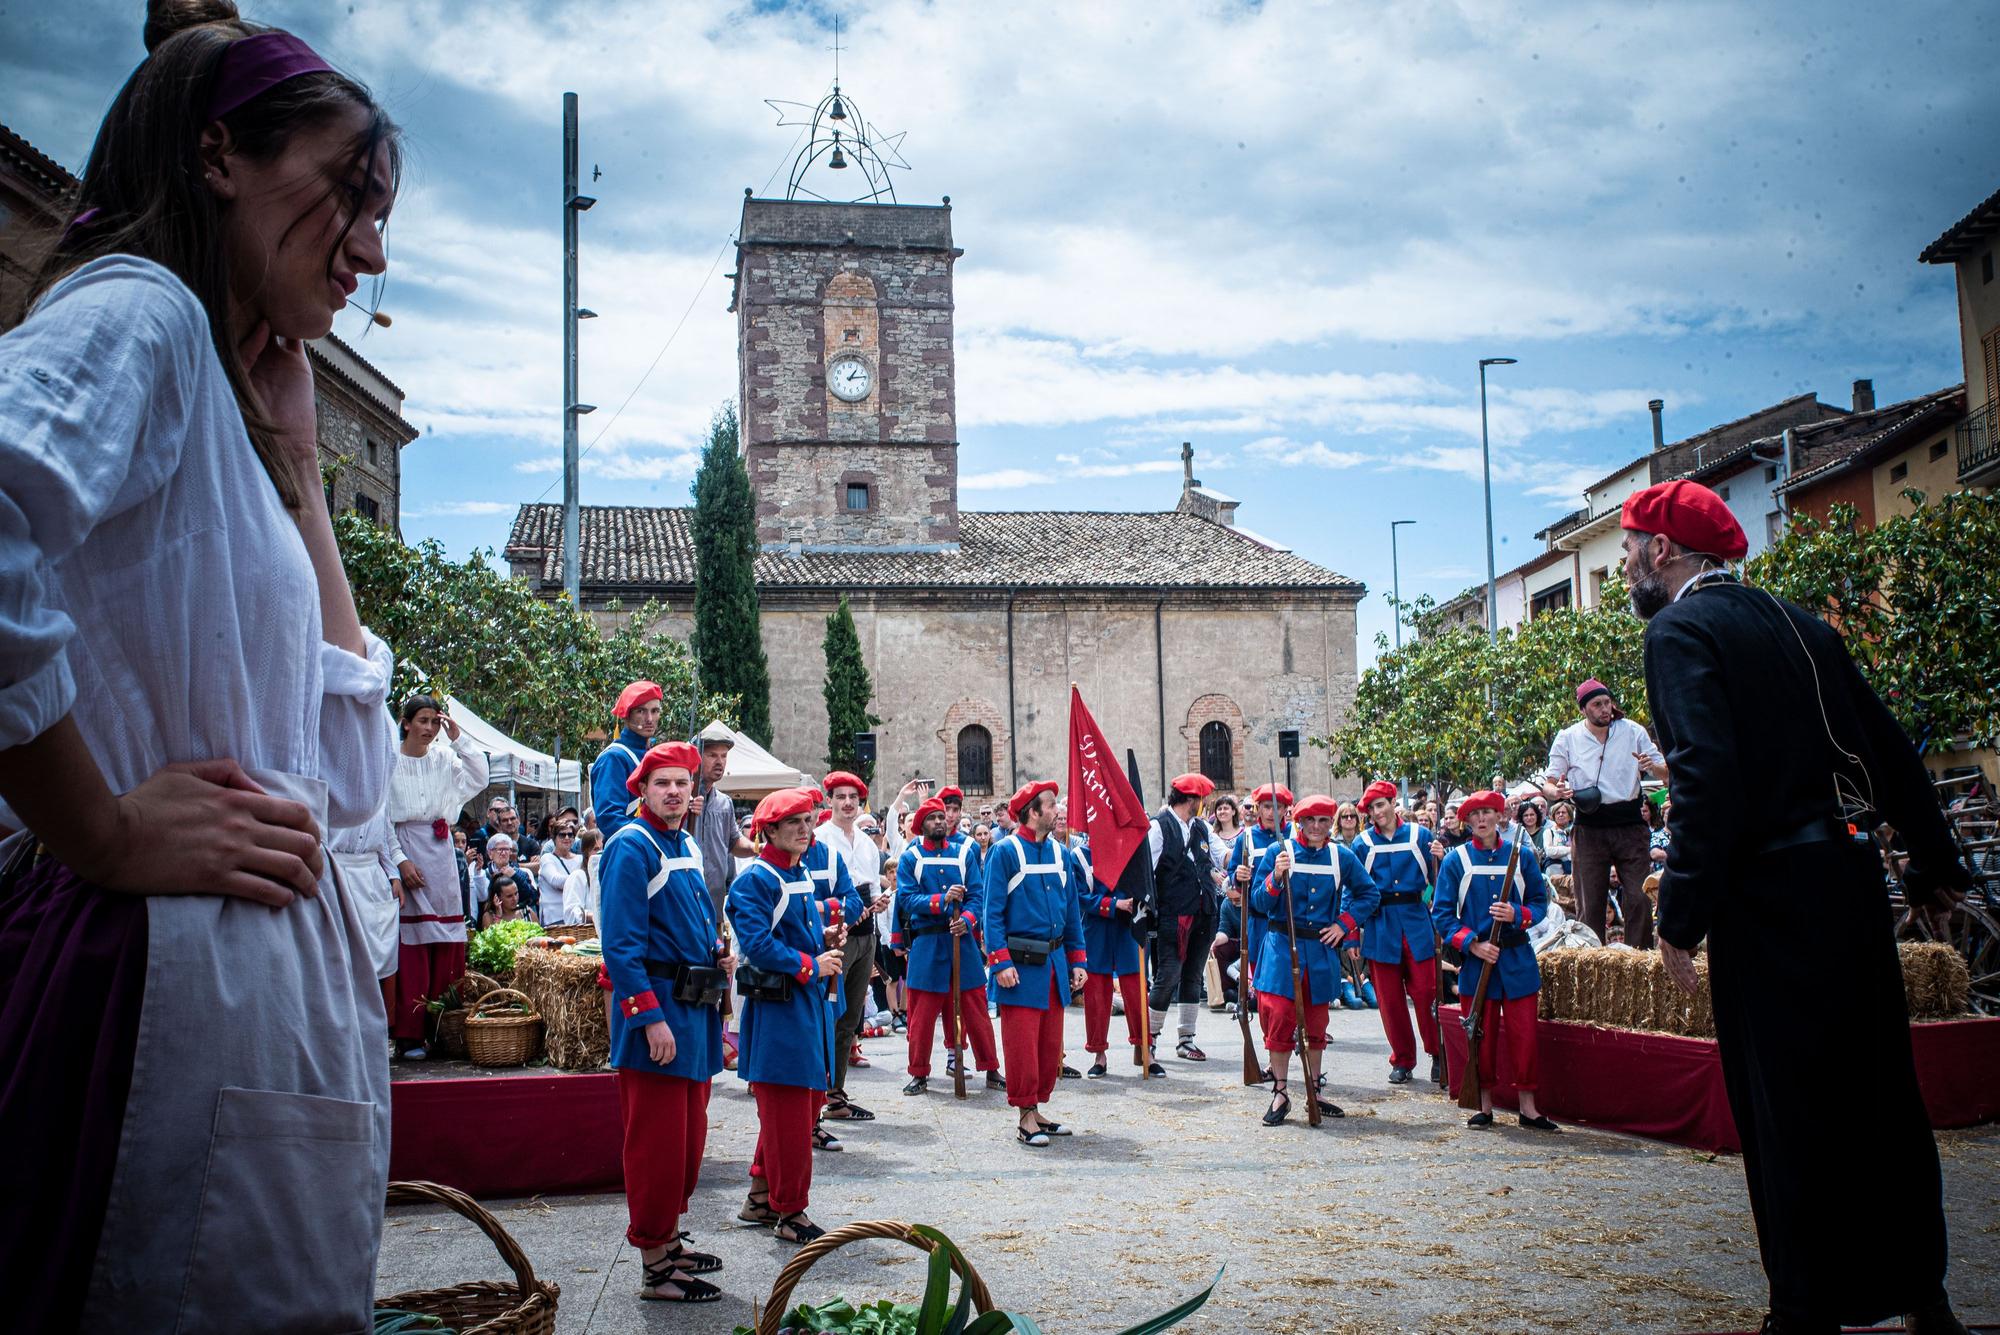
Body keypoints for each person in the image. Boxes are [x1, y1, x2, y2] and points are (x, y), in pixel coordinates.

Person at [0, 7, 402, 1327]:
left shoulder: (226, 407)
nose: (372, 248)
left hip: (239, 1017)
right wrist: (99, 824)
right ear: (221, 155)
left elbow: (345, 776)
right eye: (349, 192)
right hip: (152, 996)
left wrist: (301, 475)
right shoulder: (144, 309)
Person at [1623, 477, 1972, 1335]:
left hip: (1768, 898)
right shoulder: (1806, 626)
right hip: (1848, 885)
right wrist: (1934, 865)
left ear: (1663, 550)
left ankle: (1804, 1311)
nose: (1626, 563)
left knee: (1786, 1105)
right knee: (1882, 1095)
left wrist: (1680, 918)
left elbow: (1705, 775)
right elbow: (1890, 750)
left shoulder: (1679, 631)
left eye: (1630, 546)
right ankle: (1925, 1299)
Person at [599, 742, 729, 1304]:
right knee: (656, 1143)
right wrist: (649, 1019)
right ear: (643, 791)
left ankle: (670, 1239)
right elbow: (621, 949)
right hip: (659, 1012)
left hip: (693, 1009)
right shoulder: (631, 846)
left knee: (686, 1140)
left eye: (681, 783)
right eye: (662, 784)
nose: (673, 792)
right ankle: (655, 1264)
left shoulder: (684, 842)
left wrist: (716, 951)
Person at [727, 787, 843, 1244]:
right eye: (792, 821)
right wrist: (812, 964)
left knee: (800, 1108)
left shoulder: (800, 871)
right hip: (779, 1009)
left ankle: (761, 1196)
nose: (804, 827)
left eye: (808, 819)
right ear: (769, 829)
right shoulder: (754, 879)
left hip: (804, 1006)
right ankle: (790, 1212)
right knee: (790, 1114)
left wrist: (824, 938)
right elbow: (756, 945)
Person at [1248, 794, 1378, 1126]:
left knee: (1317, 1021)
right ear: (1299, 823)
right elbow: (1260, 902)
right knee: (1278, 1017)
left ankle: (1315, 1089)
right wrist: (1275, 878)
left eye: (1323, 821)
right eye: (1310, 821)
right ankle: (1280, 1091)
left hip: (1320, 949)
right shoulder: (1281, 852)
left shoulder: (1341, 856)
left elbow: (1369, 894)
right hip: (1281, 946)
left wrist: (1344, 925)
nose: (1317, 827)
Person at [1432, 791, 1557, 1132]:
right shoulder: (1456, 861)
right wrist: (1472, 945)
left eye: (1488, 812)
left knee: (1525, 1037)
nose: (1482, 819)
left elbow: (1539, 903)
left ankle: (1528, 1108)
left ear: (1499, 817)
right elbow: (1442, 916)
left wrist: (1517, 913)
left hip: (1516, 958)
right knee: (1480, 1038)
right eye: (1476, 814)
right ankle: (1484, 1104)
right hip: (1478, 963)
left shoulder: (1522, 855)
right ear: (1468, 821)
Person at [982, 781, 1088, 1147]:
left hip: (1055, 964)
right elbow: (991, 913)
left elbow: (1072, 910)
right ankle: (1025, 1115)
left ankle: (1037, 1108)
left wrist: (1077, 959)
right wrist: (999, 962)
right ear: (1032, 811)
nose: (1058, 810)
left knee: (1048, 1046)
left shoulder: (1062, 854)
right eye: (1051, 804)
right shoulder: (1005, 852)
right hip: (1020, 966)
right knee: (1022, 1046)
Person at [389, 695, 489, 1057]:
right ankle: (409, 1034)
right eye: (423, 721)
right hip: (406, 847)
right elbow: (382, 818)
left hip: (441, 852)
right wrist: (399, 862)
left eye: (434, 722)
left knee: (447, 941)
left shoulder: (445, 759)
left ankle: (444, 1030)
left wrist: (458, 737)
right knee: (411, 945)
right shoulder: (389, 762)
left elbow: (480, 775)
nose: (430, 729)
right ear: (406, 722)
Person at [1541, 677, 1669, 948]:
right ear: (1583, 709)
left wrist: (1652, 767)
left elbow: (1666, 772)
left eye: (1607, 702)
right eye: (1597, 704)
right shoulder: (1568, 737)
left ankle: (1638, 958)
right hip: (1589, 826)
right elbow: (1548, 785)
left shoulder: (1633, 731)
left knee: (1640, 897)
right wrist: (1558, 792)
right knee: (1590, 902)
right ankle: (1593, 960)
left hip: (1630, 825)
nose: (1605, 709)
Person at [893, 796, 1003, 1093]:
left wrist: (966, 919)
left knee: (976, 1008)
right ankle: (918, 1072)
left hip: (961, 941)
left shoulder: (964, 853)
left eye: (942, 817)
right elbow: (906, 899)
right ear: (921, 826)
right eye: (932, 818)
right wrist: (942, 901)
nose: (940, 822)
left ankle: (991, 1068)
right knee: (922, 1014)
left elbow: (977, 895)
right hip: (928, 942)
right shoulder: (910, 858)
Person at [817, 770, 896, 1122]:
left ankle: (837, 1094)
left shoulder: (866, 843)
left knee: (851, 1018)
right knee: (828, 1013)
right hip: (834, 931)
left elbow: (872, 887)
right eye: (841, 797)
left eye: (853, 798)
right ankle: (817, 1092)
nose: (847, 803)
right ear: (830, 800)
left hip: (867, 933)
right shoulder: (819, 839)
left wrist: (878, 904)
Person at [1354, 780, 1443, 1086]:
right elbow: (1353, 892)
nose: (1376, 812)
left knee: (1427, 993)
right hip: (1380, 924)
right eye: (1371, 808)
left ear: (1393, 802)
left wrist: (1443, 859)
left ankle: (1438, 1053)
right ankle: (1403, 1059)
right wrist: (1353, 934)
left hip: (1416, 920)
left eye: (1380, 804)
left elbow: (1438, 882)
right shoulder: (1362, 844)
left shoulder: (1421, 835)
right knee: (1390, 1000)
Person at [1146, 773, 1221, 1066]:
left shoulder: (1201, 827)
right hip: (1174, 914)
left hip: (1205, 911)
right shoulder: (1159, 826)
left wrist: (1239, 857)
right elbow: (1147, 870)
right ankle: (1149, 1039)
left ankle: (1186, 1039)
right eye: (1201, 799)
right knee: (1168, 975)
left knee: (1192, 976)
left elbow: (1221, 854)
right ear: (1192, 800)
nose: (1203, 804)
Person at [1077, 809, 1146, 1078]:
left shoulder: (1127, 850)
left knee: (1135, 988)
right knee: (1097, 994)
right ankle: (1099, 1053)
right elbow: (1081, 896)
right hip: (1096, 928)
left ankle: (1144, 1047)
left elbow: (1142, 884)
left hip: (1128, 925)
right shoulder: (1079, 855)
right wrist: (1112, 904)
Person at [328, 786, 404, 1021]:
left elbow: (384, 837)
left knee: (378, 953)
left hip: (372, 874)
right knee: (343, 954)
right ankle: (345, 1019)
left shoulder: (379, 795)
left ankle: (377, 1021)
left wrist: (394, 875)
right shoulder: (332, 791)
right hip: (337, 870)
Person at [591, 680, 664, 838]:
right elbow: (610, 819)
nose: (650, 718)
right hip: (629, 851)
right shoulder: (614, 758)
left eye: (655, 711)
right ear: (627, 715)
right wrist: (650, 840)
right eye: (641, 711)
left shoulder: (654, 755)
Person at [537, 816, 581, 925]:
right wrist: (579, 879)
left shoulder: (580, 859)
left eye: (570, 835)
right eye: (562, 835)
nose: (567, 838)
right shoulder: (547, 858)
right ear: (554, 838)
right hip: (554, 920)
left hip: (576, 919)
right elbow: (556, 880)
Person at [484, 832, 537, 922]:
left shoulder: (522, 872)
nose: (503, 853)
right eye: (500, 850)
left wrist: (515, 876)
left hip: (520, 918)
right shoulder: (483, 874)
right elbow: (484, 900)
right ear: (490, 853)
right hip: (494, 919)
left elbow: (532, 898)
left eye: (507, 849)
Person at [575, 827, 604, 923]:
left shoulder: (606, 875)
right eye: (596, 849)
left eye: (602, 848)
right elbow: (573, 913)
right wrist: (595, 916)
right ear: (586, 852)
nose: (601, 852)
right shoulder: (578, 876)